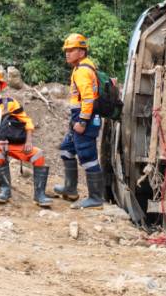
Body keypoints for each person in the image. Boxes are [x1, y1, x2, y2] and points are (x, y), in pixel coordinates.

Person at [0, 69, 53, 207]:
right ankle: (5, 190)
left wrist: (28, 140)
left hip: (10, 142)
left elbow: (26, 121)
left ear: (1, 87)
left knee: (38, 154)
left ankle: (40, 195)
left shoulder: (10, 103)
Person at [53, 33, 105, 209]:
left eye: (71, 50)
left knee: (88, 156)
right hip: (80, 116)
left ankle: (96, 198)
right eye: (66, 50)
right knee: (67, 149)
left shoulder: (83, 71)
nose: (67, 53)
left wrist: (82, 122)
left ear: (82, 52)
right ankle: (70, 189)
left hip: (85, 119)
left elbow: (88, 99)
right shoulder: (81, 68)